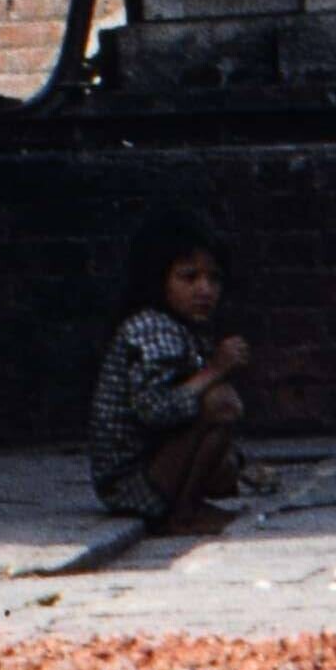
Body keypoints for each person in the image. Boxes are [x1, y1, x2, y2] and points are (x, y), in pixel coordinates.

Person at [86, 211, 249, 541]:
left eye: (214, 279)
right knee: (221, 403)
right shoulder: (153, 328)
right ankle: (181, 514)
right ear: (158, 280)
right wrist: (215, 370)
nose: (205, 290)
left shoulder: (183, 328)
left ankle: (186, 504)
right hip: (131, 483)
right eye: (189, 278)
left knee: (228, 466)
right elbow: (155, 410)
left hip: (151, 468)